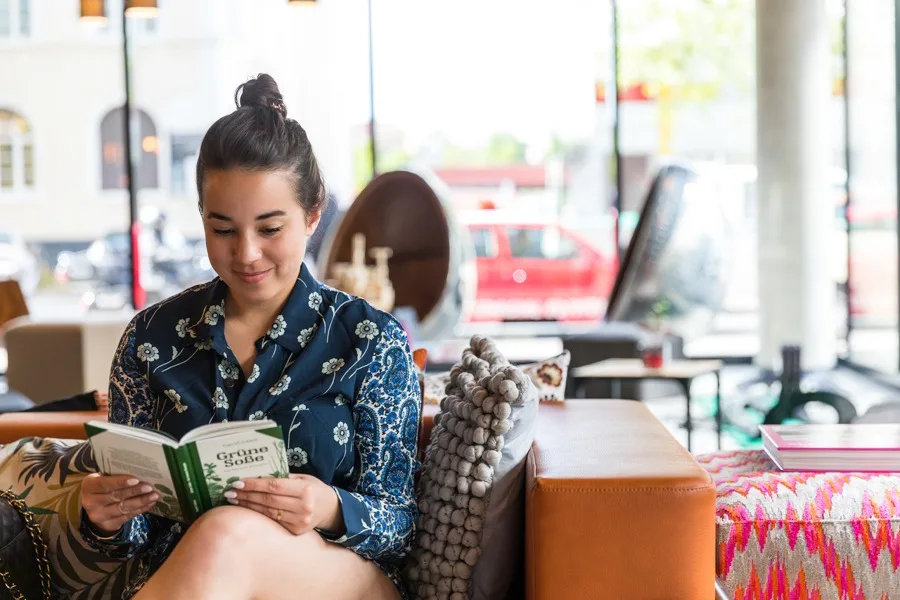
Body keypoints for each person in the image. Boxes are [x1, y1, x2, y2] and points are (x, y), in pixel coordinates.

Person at [78, 74, 420, 600]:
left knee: (225, 529)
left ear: (312, 214)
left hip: (339, 578)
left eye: (269, 228)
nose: (246, 254)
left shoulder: (370, 340)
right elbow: (135, 543)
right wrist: (107, 516)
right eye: (222, 230)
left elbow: (400, 525)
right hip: (194, 581)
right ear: (202, 219)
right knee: (217, 535)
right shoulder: (151, 338)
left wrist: (328, 506)